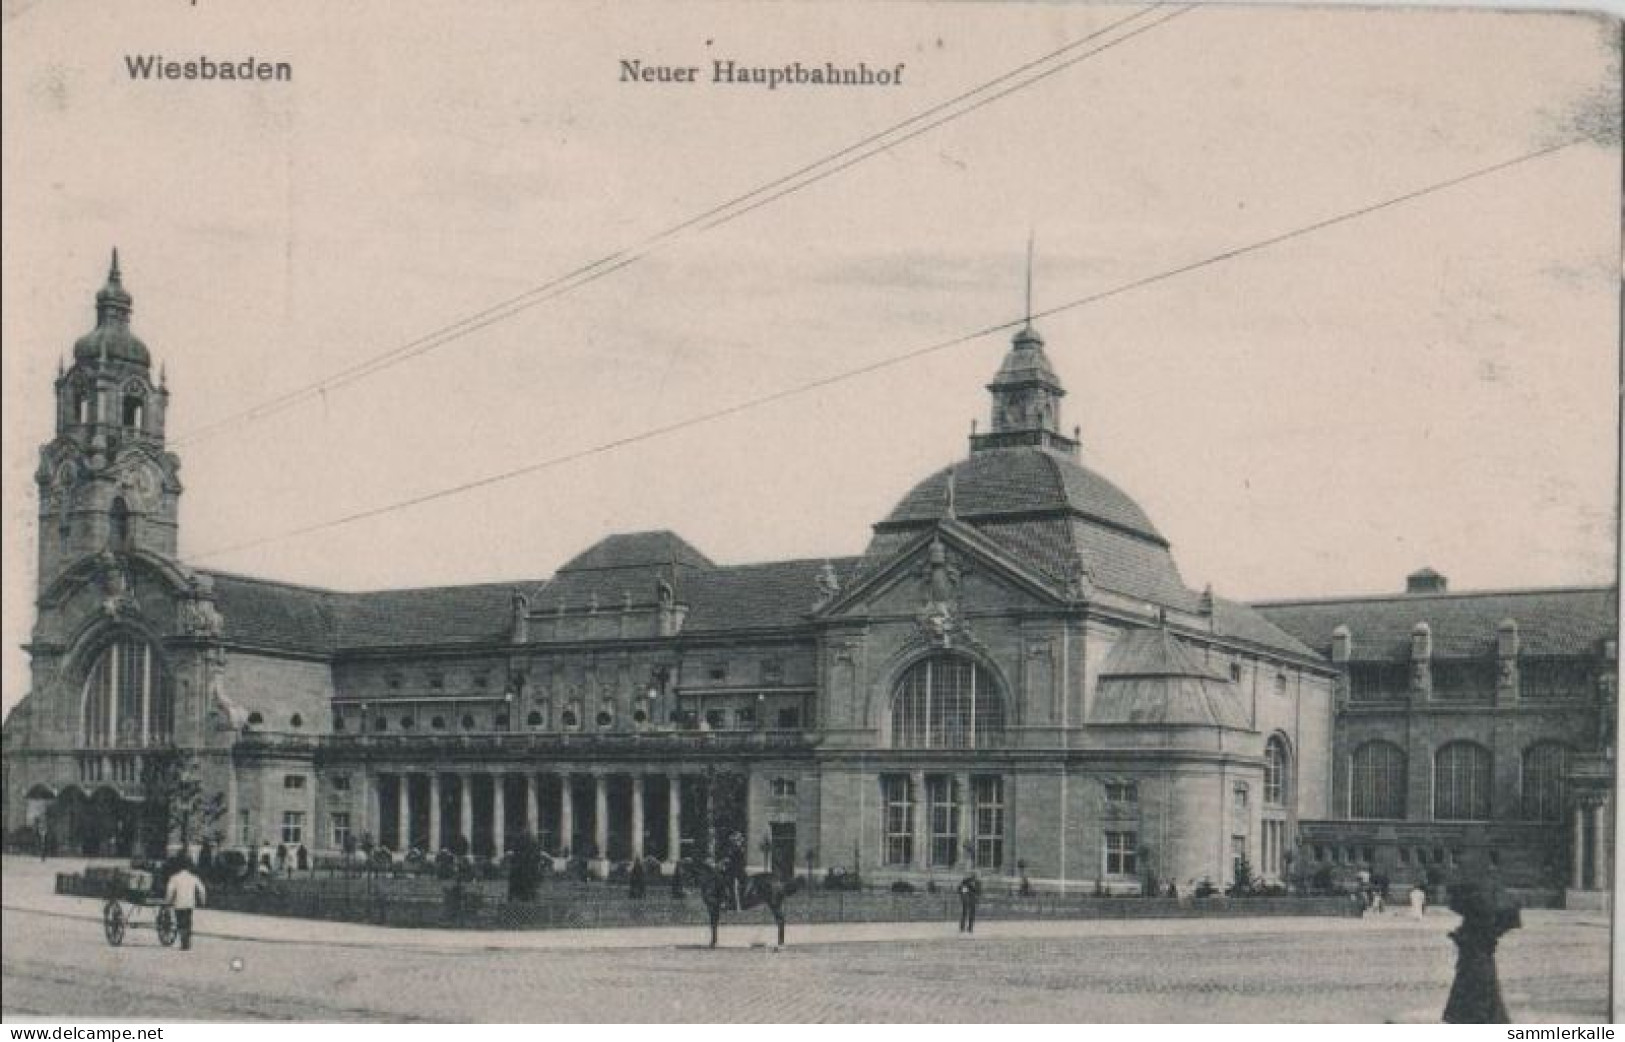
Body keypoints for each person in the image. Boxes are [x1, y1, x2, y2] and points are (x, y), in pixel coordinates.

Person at [164, 857, 207, 951]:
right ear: (189, 867)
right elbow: (202, 890)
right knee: (188, 922)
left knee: (180, 922)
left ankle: (184, 942)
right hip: (190, 903)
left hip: (179, 903)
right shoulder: (194, 878)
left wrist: (167, 903)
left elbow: (170, 892)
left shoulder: (174, 878)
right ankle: (186, 942)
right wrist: (203, 901)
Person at [720, 831, 749, 911]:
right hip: (730, 871)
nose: (735, 842)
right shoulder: (731, 849)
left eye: (737, 840)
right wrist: (723, 863)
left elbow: (739, 861)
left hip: (737, 872)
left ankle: (738, 907)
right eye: (734, 840)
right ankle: (725, 903)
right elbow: (727, 858)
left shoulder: (740, 849)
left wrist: (728, 861)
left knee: (735, 887)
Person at [958, 870, 981, 934]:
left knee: (971, 915)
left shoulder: (978, 882)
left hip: (972, 900)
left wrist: (977, 899)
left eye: (976, 876)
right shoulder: (966, 881)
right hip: (967, 899)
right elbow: (961, 889)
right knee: (965, 914)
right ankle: (962, 927)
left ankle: (970, 928)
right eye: (974, 875)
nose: (975, 877)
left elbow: (979, 892)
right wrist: (964, 897)